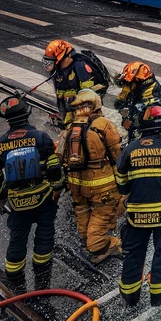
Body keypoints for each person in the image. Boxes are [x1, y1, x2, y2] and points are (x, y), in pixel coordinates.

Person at [115, 104, 161, 307]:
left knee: (134, 253)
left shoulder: (129, 149)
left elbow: (121, 183)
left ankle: (130, 296)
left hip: (136, 215)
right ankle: (158, 295)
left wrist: (130, 190)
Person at [0, 96, 65, 279]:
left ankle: (13, 275)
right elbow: (53, 167)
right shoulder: (40, 137)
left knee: (17, 239)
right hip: (43, 199)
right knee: (44, 235)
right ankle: (42, 270)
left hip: (17, 203)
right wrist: (57, 188)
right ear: (28, 113)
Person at [60, 89, 124, 263]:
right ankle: (110, 244)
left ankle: (90, 241)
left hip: (77, 188)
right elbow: (118, 154)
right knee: (97, 233)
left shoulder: (70, 129)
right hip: (103, 188)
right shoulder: (103, 124)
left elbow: (59, 156)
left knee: (84, 219)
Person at [42, 39, 101, 126]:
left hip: (81, 110)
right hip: (66, 107)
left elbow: (89, 95)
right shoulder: (58, 70)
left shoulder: (79, 66)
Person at [116, 61, 161, 140]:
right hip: (136, 127)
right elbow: (119, 103)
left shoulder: (151, 94)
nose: (127, 85)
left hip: (146, 133)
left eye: (130, 83)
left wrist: (130, 120)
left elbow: (139, 115)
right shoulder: (133, 87)